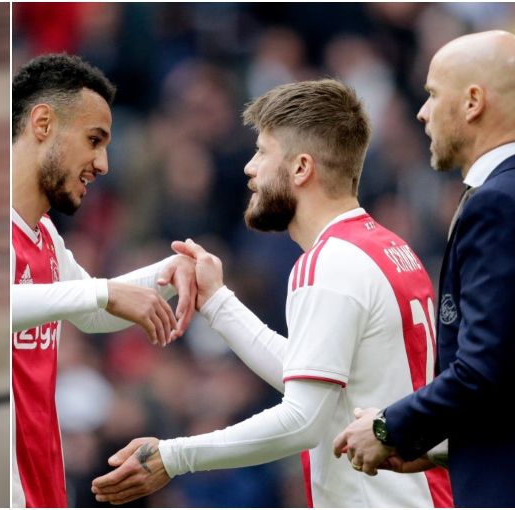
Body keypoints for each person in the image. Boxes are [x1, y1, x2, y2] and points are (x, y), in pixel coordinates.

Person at [91, 79, 454, 507]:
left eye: (262, 152)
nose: (250, 168)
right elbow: (319, 377)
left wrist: (173, 456)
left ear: (301, 168)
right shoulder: (388, 248)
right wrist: (217, 301)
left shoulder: (328, 263)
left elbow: (303, 420)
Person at [332, 30, 515, 507]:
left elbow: (483, 370)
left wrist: (389, 426)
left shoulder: (499, 203)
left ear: (473, 101)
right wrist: (440, 446)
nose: (422, 111)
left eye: (433, 94)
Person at [10, 53, 197, 508]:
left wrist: (168, 274)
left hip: (43, 484)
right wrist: (101, 290)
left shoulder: (45, 235)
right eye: (94, 140)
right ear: (43, 123)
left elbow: (91, 311)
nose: (103, 163)